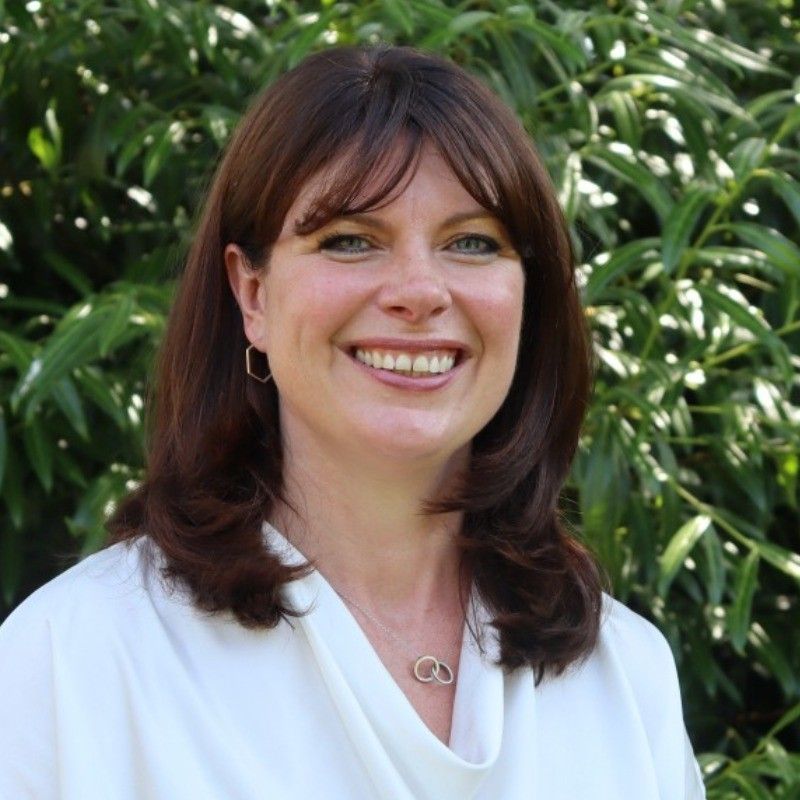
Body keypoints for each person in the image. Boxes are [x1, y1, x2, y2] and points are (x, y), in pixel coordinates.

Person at [0, 45, 706, 799]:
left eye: (472, 242)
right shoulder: (69, 664)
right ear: (253, 294)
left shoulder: (624, 674)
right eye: (349, 240)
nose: (419, 291)